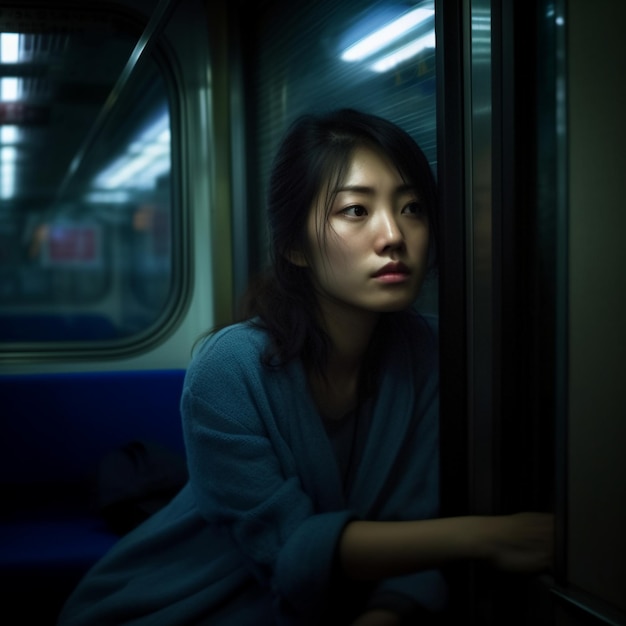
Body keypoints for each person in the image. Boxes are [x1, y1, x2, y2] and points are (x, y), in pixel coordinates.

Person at [57, 109, 553, 626]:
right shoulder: (229, 368)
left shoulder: (429, 353)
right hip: (181, 603)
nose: (393, 235)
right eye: (356, 211)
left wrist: (386, 614)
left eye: (411, 207)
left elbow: (413, 527)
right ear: (295, 246)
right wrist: (489, 536)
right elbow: (290, 546)